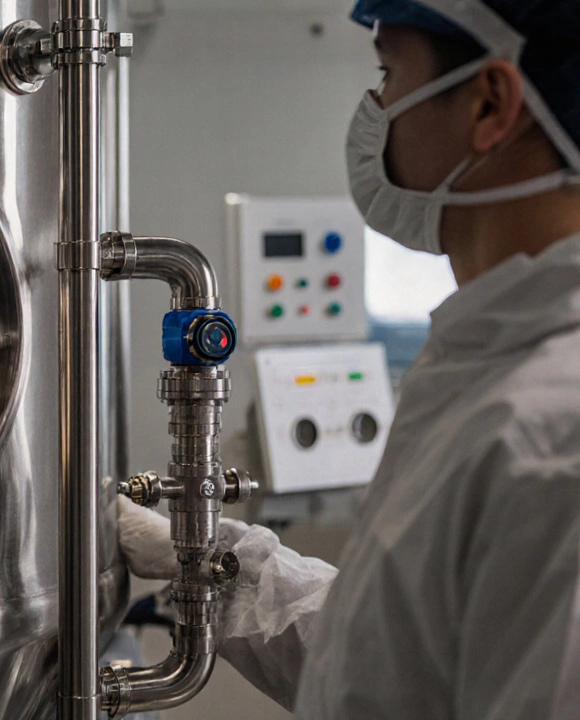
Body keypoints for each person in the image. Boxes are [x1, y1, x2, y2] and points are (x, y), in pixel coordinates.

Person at [118, 0, 580, 717]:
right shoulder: (487, 361)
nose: (373, 108)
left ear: (491, 105)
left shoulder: (554, 432)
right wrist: (215, 561)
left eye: (388, 71)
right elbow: (395, 666)